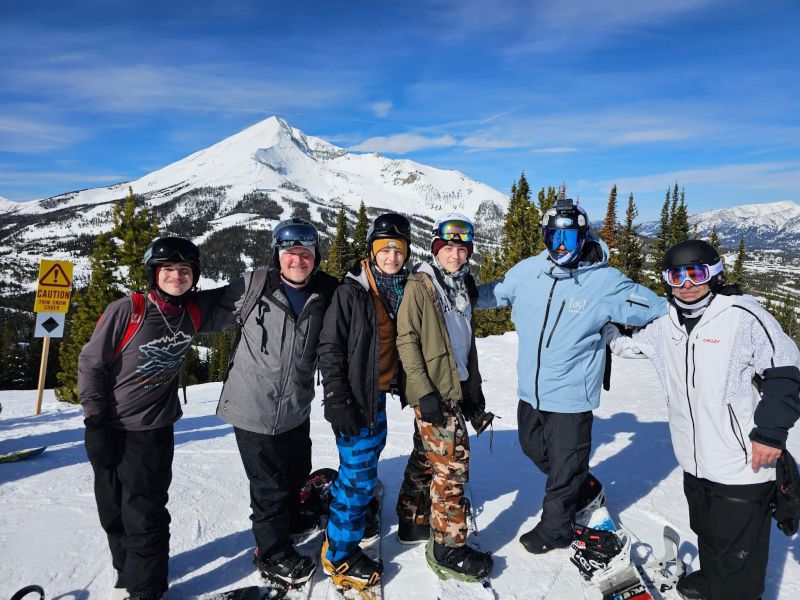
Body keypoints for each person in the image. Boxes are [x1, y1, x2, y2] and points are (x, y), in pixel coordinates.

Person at [608, 239, 800, 600]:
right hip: (694, 460)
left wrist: (770, 433)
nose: (687, 285)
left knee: (738, 555)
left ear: (714, 274)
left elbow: (786, 371)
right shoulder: (665, 324)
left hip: (741, 464)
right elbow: (627, 344)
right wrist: (595, 323)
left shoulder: (742, 316)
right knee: (707, 530)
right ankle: (712, 579)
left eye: (696, 274)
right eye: (676, 276)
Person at [476, 197, 667, 554]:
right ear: (545, 237)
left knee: (564, 469)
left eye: (570, 238)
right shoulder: (529, 271)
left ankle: (556, 529)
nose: (561, 246)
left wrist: (699, 308)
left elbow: (657, 309)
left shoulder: (604, 282)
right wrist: (458, 292)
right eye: (555, 238)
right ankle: (584, 485)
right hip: (531, 391)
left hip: (572, 395)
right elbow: (495, 294)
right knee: (533, 448)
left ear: (583, 238)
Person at [79, 236, 229, 600]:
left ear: (195, 275)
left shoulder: (194, 311)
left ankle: (147, 588)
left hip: (152, 430)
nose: (177, 276)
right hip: (108, 425)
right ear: (153, 273)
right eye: (168, 269)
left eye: (185, 270)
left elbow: (238, 295)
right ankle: (126, 568)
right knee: (111, 507)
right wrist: (95, 422)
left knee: (145, 512)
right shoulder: (128, 311)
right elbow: (91, 364)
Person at [214, 218, 338, 587]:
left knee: (298, 471)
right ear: (277, 255)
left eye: (305, 252)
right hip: (252, 407)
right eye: (289, 252)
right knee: (269, 488)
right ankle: (271, 553)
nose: (297, 259)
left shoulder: (325, 293)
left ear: (315, 256)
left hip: (295, 405)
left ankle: (293, 519)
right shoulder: (254, 285)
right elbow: (204, 313)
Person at [394, 213, 494, 582]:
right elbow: (407, 340)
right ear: (436, 248)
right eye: (448, 248)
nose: (455, 255)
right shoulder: (421, 284)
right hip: (433, 390)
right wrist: (423, 391)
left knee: (427, 456)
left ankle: (412, 517)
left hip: (454, 387)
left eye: (462, 249)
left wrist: (472, 392)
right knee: (451, 468)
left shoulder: (462, 285)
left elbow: (463, 344)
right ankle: (448, 548)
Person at [317, 212, 412, 590]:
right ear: (372, 251)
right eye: (384, 249)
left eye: (398, 250)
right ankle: (339, 554)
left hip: (377, 394)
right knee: (358, 478)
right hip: (354, 398)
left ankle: (350, 511)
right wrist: (336, 398)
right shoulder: (352, 291)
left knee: (365, 463)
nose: (392, 256)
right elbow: (330, 347)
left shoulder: (400, 287)